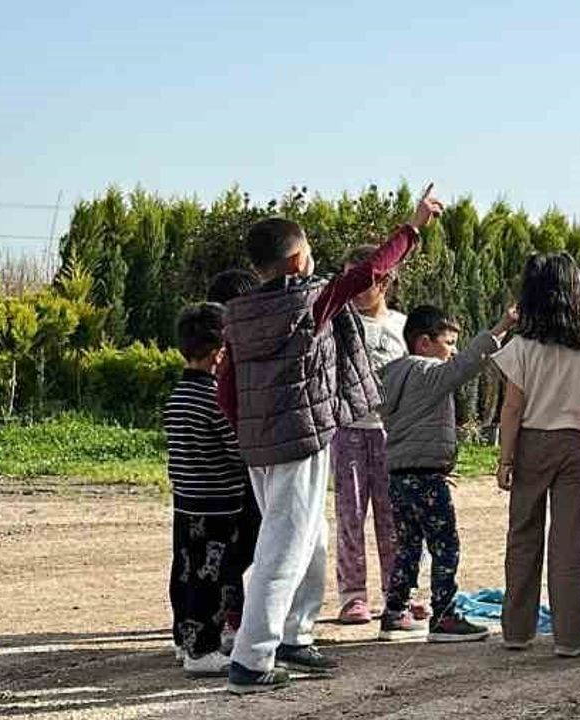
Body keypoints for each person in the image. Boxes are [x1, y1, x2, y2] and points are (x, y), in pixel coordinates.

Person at [221, 186, 444, 694]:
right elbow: (365, 275)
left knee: (311, 539)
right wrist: (413, 227)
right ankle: (252, 660)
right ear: (299, 259)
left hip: (260, 443)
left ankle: (295, 635)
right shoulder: (306, 298)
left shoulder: (239, 313)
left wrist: (243, 430)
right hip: (299, 440)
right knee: (284, 546)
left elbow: (227, 383)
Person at [493, 253, 580, 658]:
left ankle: (517, 631)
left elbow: (512, 407)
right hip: (575, 446)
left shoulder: (521, 346)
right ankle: (571, 637)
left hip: (530, 444)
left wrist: (505, 459)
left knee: (523, 536)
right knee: (570, 541)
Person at [376, 304, 516, 642]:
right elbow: (466, 364)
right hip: (426, 478)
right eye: (449, 342)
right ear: (424, 343)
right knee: (445, 545)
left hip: (400, 476)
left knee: (409, 547)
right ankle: (443, 616)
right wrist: (502, 325)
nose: (452, 349)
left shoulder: (392, 375)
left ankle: (394, 613)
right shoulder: (426, 373)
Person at [164, 302, 252, 677]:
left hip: (186, 503)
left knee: (185, 573)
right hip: (219, 504)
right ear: (219, 354)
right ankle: (204, 649)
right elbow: (235, 451)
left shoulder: (177, 397)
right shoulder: (215, 399)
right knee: (213, 578)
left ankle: (185, 640)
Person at [329, 245, 415, 625]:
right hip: (348, 429)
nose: (359, 288)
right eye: (351, 279)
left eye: (366, 279)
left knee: (394, 516)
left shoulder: (403, 325)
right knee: (350, 515)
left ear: (386, 280)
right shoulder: (338, 322)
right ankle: (353, 595)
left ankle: (399, 592)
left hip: (392, 433)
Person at [205, 269, 262, 650]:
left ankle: (224, 619)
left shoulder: (219, 358)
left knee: (234, 549)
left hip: (225, 473)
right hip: (242, 466)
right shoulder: (231, 357)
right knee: (242, 548)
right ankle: (233, 619)